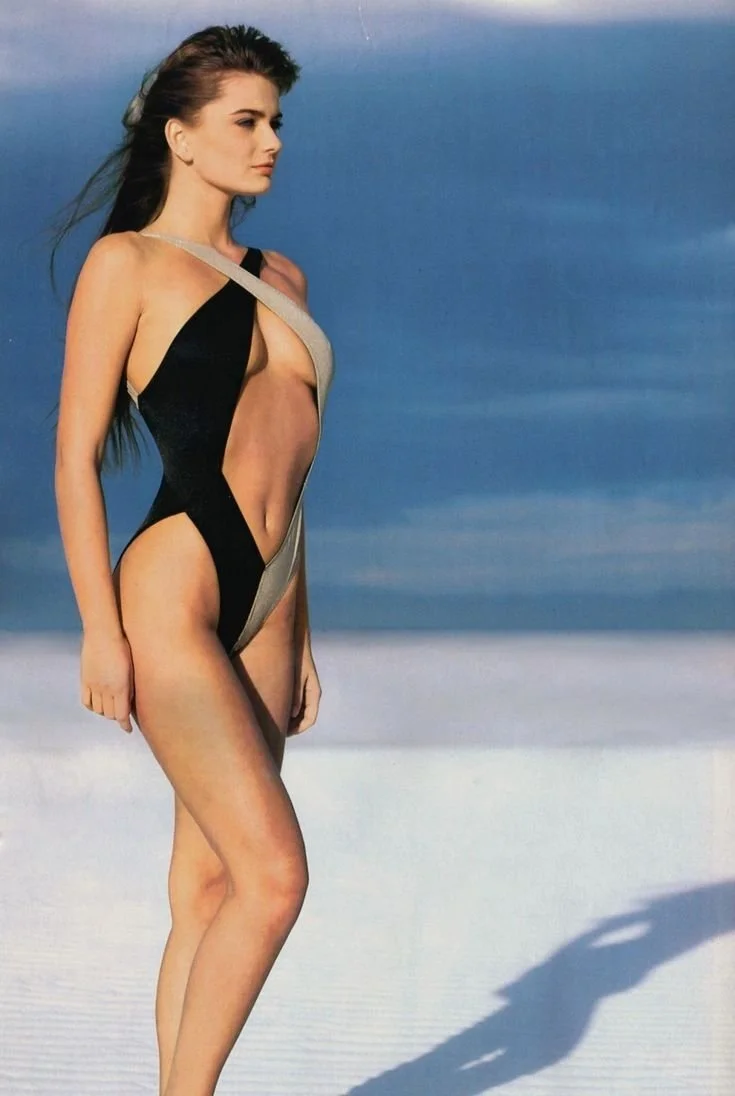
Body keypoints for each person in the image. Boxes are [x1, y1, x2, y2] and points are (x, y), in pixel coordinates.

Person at [52, 23, 334, 1096]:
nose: (272, 142)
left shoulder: (284, 274)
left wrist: (303, 625)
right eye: (247, 121)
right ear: (180, 135)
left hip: (271, 591)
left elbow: (292, 468)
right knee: (275, 878)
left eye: (276, 122)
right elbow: (75, 456)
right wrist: (99, 627)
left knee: (211, 886)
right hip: (172, 587)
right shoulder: (125, 263)